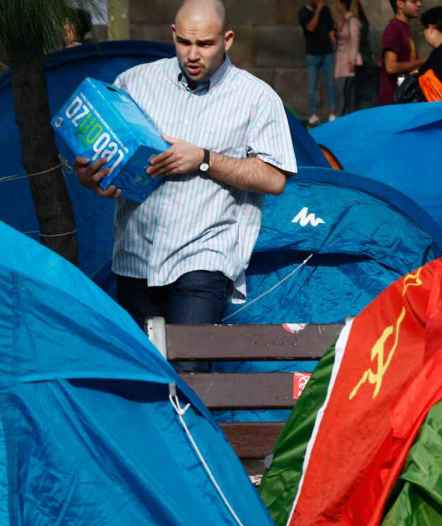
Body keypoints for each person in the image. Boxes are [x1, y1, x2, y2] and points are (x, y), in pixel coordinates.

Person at [73, 0, 296, 331]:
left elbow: (274, 178)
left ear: (228, 39)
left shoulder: (256, 97)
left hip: (203, 259)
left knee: (190, 373)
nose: (193, 54)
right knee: (147, 379)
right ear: (173, 34)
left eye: (205, 44)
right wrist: (92, 176)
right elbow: (107, 166)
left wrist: (204, 160)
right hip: (135, 258)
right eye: (184, 42)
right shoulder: (134, 83)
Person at [378, 0, 427, 105]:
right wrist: (422, 62)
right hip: (394, 100)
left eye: (420, 1)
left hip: (404, 97)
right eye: (414, 1)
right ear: (400, 3)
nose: (419, 4)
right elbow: (390, 67)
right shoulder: (394, 28)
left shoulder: (404, 27)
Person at [299, 0, 337, 124]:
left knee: (330, 83)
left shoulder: (326, 10)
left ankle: (332, 113)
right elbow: (311, 27)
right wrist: (318, 11)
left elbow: (331, 29)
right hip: (312, 54)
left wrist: (334, 42)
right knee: (312, 86)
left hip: (327, 53)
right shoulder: (303, 12)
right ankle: (313, 114)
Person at [332, 0, 363, 116]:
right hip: (340, 60)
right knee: (341, 93)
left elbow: (355, 42)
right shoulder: (342, 20)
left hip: (348, 62)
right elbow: (338, 34)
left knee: (347, 94)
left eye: (339, 3)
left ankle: (347, 119)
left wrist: (352, 60)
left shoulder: (352, 21)